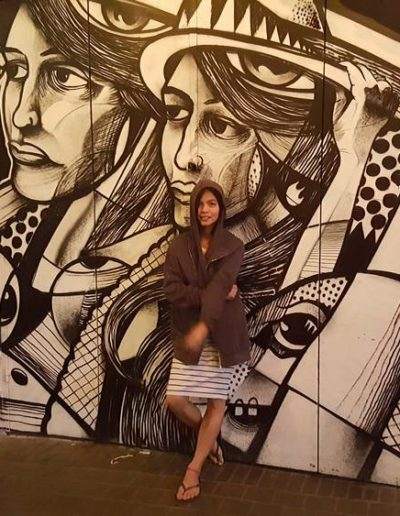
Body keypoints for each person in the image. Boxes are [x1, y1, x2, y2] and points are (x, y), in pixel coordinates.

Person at [163, 179, 250, 501]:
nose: (205, 210)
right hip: (190, 335)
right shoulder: (179, 246)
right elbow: (172, 290)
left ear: (221, 208)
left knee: (217, 403)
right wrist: (209, 296)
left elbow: (224, 282)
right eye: (200, 204)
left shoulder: (233, 246)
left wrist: (206, 318)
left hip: (224, 335)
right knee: (175, 400)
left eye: (212, 204)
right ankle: (208, 438)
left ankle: (193, 470)